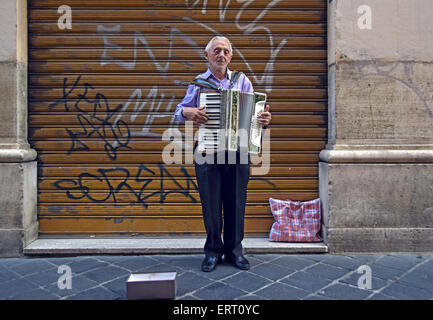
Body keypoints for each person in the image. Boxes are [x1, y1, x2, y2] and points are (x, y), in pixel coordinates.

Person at [174, 36, 271, 272]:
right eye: (216, 51)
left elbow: (256, 115)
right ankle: (213, 252)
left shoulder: (242, 81)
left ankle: (235, 251)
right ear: (207, 55)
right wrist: (190, 112)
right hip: (207, 151)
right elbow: (178, 111)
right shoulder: (198, 84)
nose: (222, 55)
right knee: (211, 204)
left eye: (226, 51)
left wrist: (264, 121)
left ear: (230, 56)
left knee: (236, 202)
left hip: (238, 151)